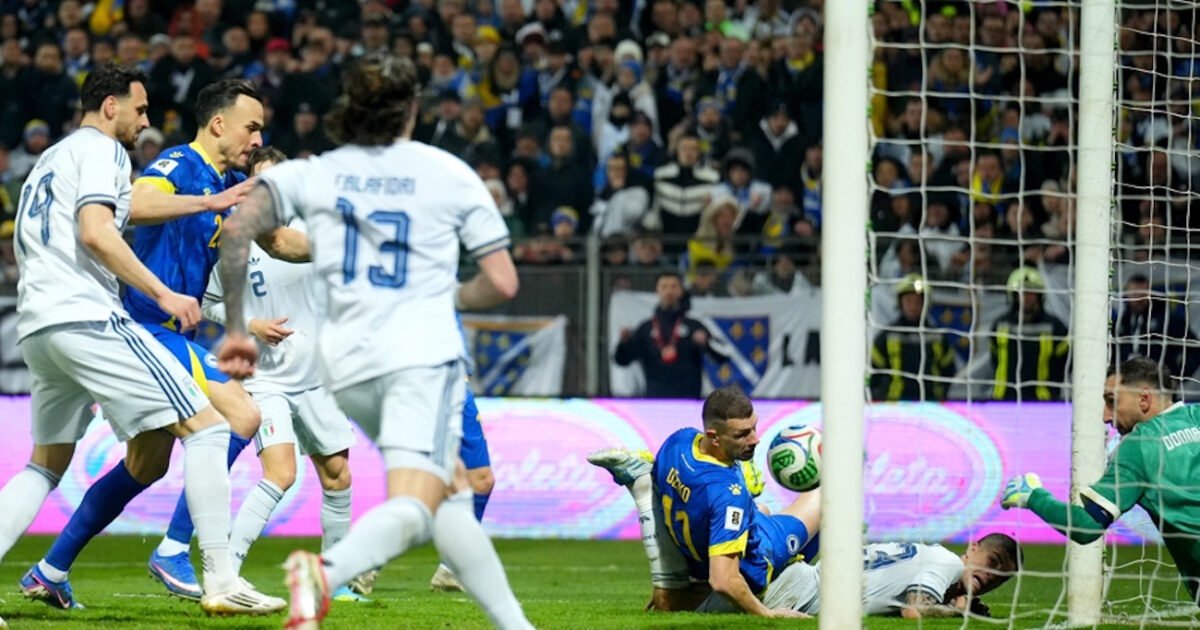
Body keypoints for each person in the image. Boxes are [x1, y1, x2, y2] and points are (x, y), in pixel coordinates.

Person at [214, 53, 532, 629]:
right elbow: (504, 283)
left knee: (449, 493)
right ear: (411, 109)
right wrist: (452, 294)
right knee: (423, 500)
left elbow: (242, 231)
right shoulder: (447, 172)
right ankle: (326, 573)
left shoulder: (317, 171)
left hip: (347, 365)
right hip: (416, 358)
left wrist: (237, 328)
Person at [0, 64, 281, 616]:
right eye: (141, 109)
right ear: (112, 106)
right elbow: (101, 228)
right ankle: (210, 572)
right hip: (93, 318)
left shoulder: (48, 161)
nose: (146, 122)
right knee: (215, 426)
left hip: (39, 325)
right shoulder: (112, 152)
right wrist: (164, 291)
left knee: (51, 466)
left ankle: (51, 570)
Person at [197, 146, 365, 602]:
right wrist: (250, 324)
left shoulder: (313, 233)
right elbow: (209, 303)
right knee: (281, 473)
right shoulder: (235, 240)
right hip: (265, 378)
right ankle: (226, 572)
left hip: (316, 376)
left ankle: (334, 580)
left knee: (338, 476)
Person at [1002, 356, 1200, 603]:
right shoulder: (1196, 415)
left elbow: (1086, 526)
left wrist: (1032, 496)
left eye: (1112, 401)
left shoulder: (1139, 446)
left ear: (1144, 399)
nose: (1106, 416)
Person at [614, 271, 720, 398]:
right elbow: (622, 361)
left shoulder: (694, 326)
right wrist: (624, 343)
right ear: (657, 290)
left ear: (681, 290)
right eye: (664, 287)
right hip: (655, 399)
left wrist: (706, 344)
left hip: (689, 399)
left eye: (674, 286)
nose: (669, 291)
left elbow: (720, 358)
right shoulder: (646, 328)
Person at [870, 274, 957, 401]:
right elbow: (874, 372)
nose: (913, 306)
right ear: (900, 302)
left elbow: (949, 371)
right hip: (894, 405)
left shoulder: (938, 337)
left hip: (930, 404)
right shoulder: (886, 336)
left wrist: (940, 394)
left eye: (918, 302)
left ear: (926, 304)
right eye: (908, 301)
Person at [989, 266, 1070, 401]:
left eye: (1031, 292)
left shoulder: (1055, 327)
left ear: (1040, 296)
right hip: (1002, 401)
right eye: (1021, 292)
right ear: (1013, 295)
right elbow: (994, 360)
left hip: (1042, 403)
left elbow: (1065, 364)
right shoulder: (1000, 325)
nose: (1026, 298)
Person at [1113, 274, 1200, 381]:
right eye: (1134, 294)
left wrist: (1177, 376)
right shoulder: (1122, 321)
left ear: (1150, 294)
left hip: (1158, 382)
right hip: (1127, 382)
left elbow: (1195, 349)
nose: (1139, 299)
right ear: (1127, 294)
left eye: (1143, 294)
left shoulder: (1167, 319)